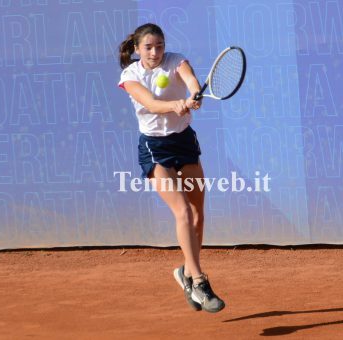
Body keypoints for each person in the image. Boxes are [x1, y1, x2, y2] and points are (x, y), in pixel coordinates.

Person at [117, 23, 225, 313]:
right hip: (155, 148)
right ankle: (200, 281)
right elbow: (151, 103)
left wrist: (193, 94)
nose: (155, 52)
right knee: (183, 211)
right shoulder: (130, 75)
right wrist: (176, 104)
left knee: (198, 214)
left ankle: (186, 273)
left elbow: (190, 79)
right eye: (149, 47)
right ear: (137, 49)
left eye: (159, 46)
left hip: (184, 142)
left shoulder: (176, 60)